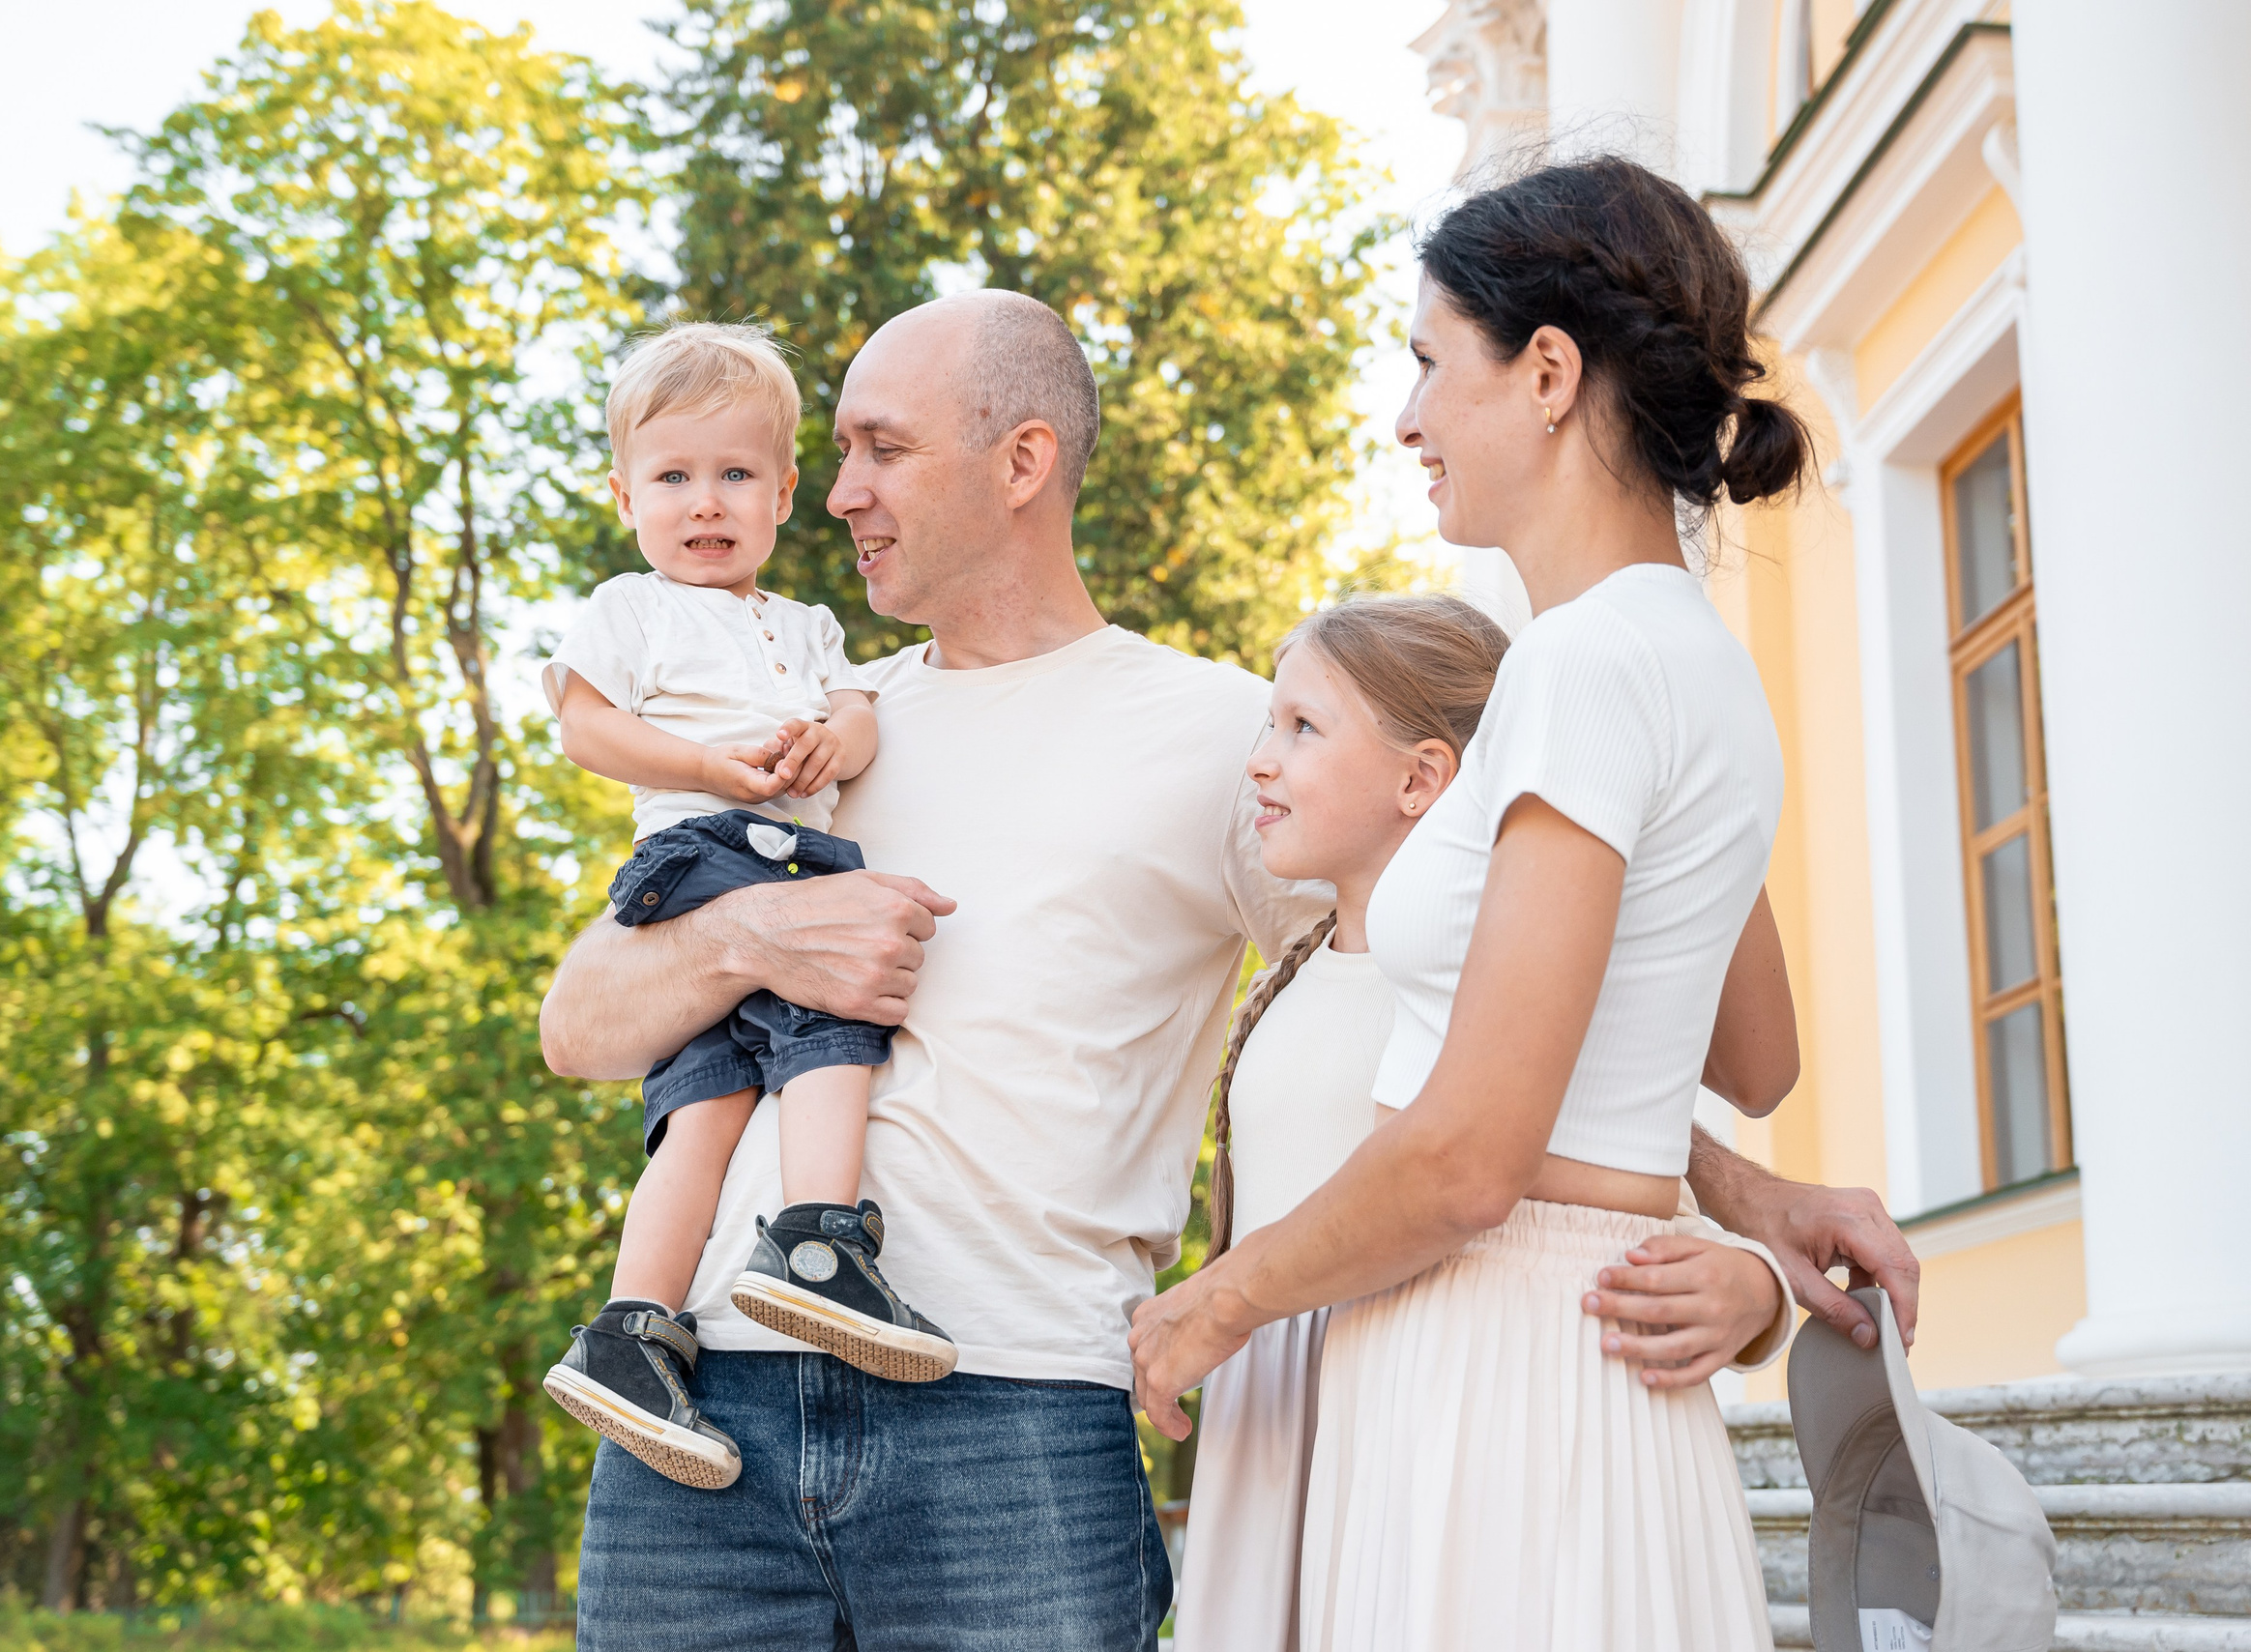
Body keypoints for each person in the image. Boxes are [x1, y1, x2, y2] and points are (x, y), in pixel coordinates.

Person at [541, 285, 1918, 1651]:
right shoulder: (807, 735)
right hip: (691, 1413)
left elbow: (1436, 1018)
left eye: (880, 448)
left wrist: (1732, 1199)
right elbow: (581, 1023)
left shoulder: (1226, 738)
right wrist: (752, 935)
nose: (836, 494)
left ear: (1023, 462)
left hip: (1011, 1425)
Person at [1129, 155, 1831, 1650]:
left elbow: (1464, 1159)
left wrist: (1211, 1305)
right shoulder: (1684, 658)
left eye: (1431, 366)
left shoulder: (1581, 668)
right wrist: (1751, 1218)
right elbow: (1749, 1057)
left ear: (1551, 375)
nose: (1408, 421)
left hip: (1502, 1356)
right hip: (1586, 1359)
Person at [1171, 596, 1803, 1652]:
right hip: (1268, 1421)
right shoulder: (1292, 971)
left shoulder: (1483, 987)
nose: (1259, 762)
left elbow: (1596, 1184)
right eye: (1264, 726)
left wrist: (1758, 1287)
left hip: (1414, 1415)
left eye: (1301, 728)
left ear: (1421, 779)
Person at [534, 323, 957, 1493]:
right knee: (832, 1021)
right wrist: (712, 769)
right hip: (710, 845)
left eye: (732, 476)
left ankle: (630, 1329)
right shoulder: (633, 606)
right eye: (671, 478)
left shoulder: (808, 624)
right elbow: (585, 726)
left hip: (757, 841)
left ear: (782, 495)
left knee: (705, 1103)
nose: (702, 503)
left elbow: (859, 712)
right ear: (625, 494)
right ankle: (819, 1238)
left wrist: (837, 735)